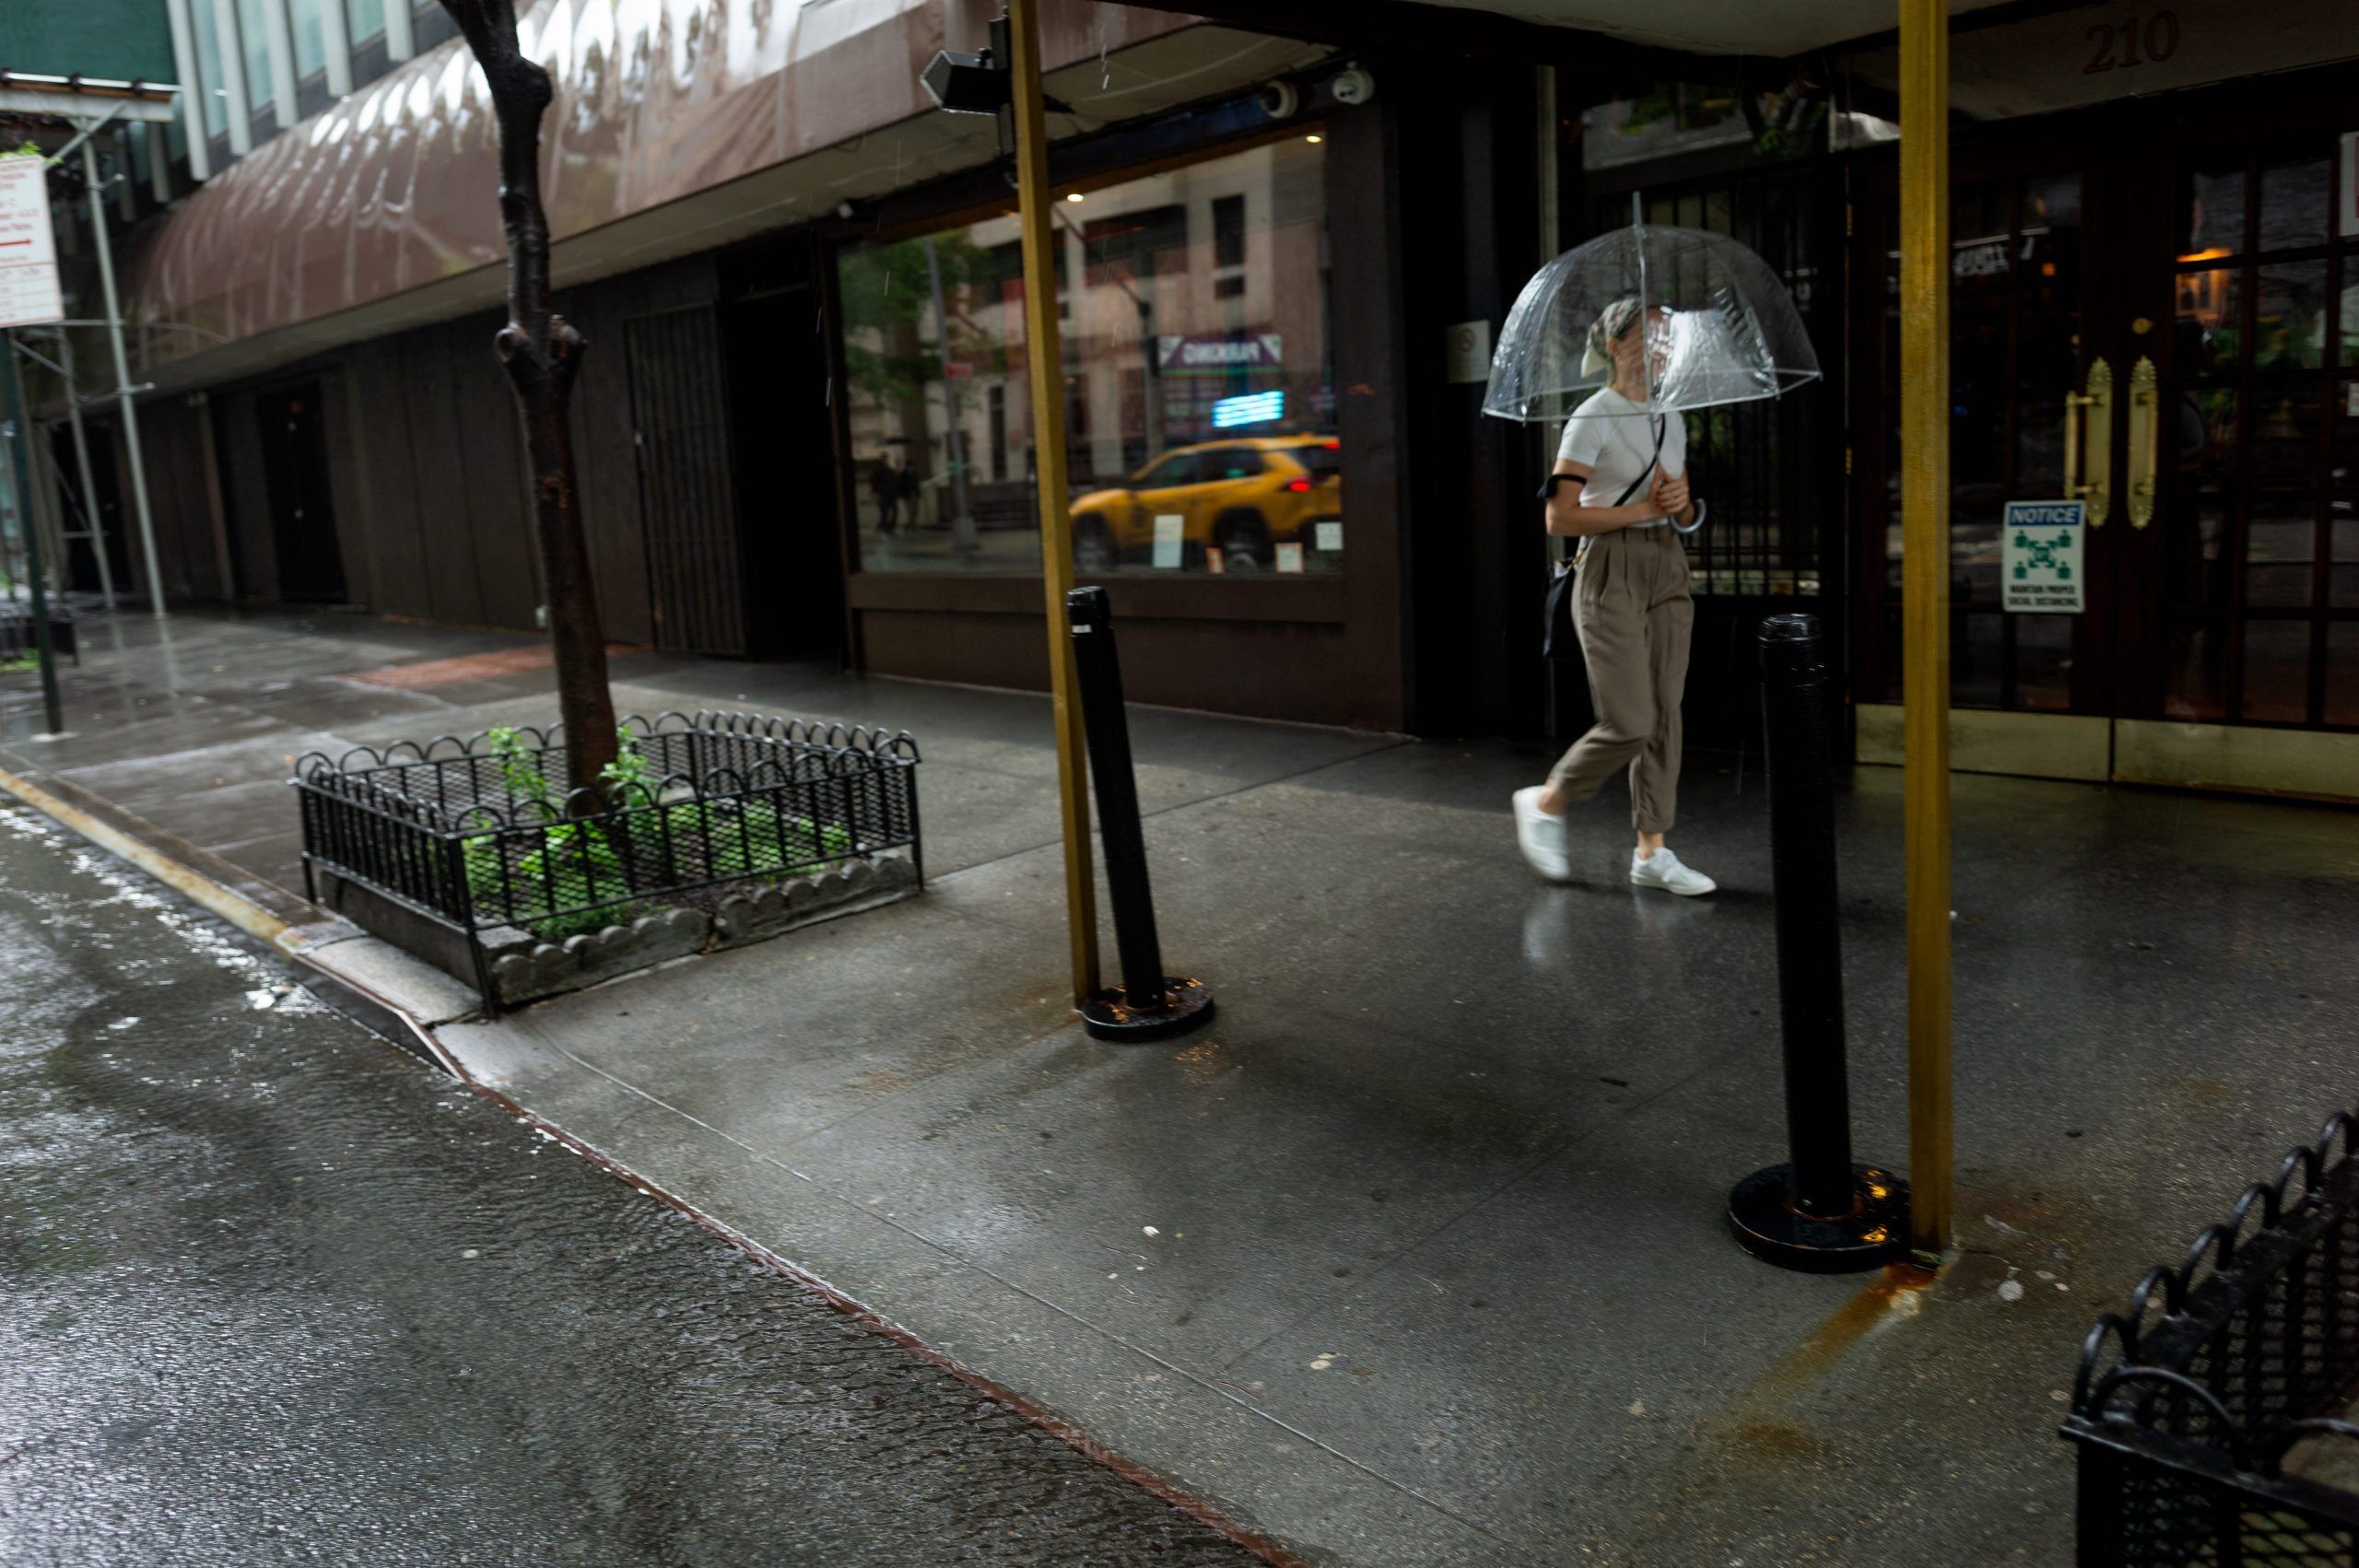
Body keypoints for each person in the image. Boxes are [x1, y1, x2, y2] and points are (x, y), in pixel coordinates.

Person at [1513, 298, 1715, 896]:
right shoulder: (1593, 416)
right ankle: (1548, 801)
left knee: (1664, 718)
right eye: (1645, 337)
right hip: (1611, 569)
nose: (1658, 347)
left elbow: (1679, 504)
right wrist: (1643, 509)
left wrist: (1682, 508)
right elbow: (1560, 517)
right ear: (1613, 345)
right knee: (1630, 720)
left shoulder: (1670, 415)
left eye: (1665, 338)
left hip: (1667, 568)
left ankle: (1651, 852)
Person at [871, 457, 901, 535]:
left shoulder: (888, 471)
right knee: (885, 513)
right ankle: (886, 528)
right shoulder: (878, 471)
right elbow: (874, 482)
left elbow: (895, 478)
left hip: (890, 494)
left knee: (892, 511)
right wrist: (875, 493)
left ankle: (887, 527)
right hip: (883, 494)